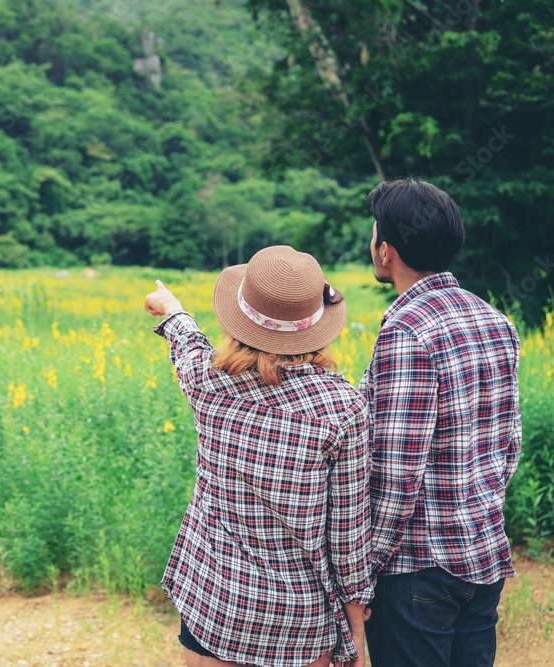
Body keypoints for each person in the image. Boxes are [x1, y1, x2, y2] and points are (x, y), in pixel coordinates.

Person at [145, 245, 373, 667]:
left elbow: (188, 345)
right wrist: (356, 625)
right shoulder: (344, 408)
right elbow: (347, 535)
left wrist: (173, 309)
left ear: (239, 316)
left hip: (217, 609)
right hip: (301, 624)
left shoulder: (207, 384)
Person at [360, 178, 522, 667]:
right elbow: (508, 445)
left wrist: (363, 571)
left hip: (416, 571)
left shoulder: (407, 332)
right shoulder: (495, 320)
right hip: (481, 555)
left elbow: (396, 475)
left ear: (386, 251)